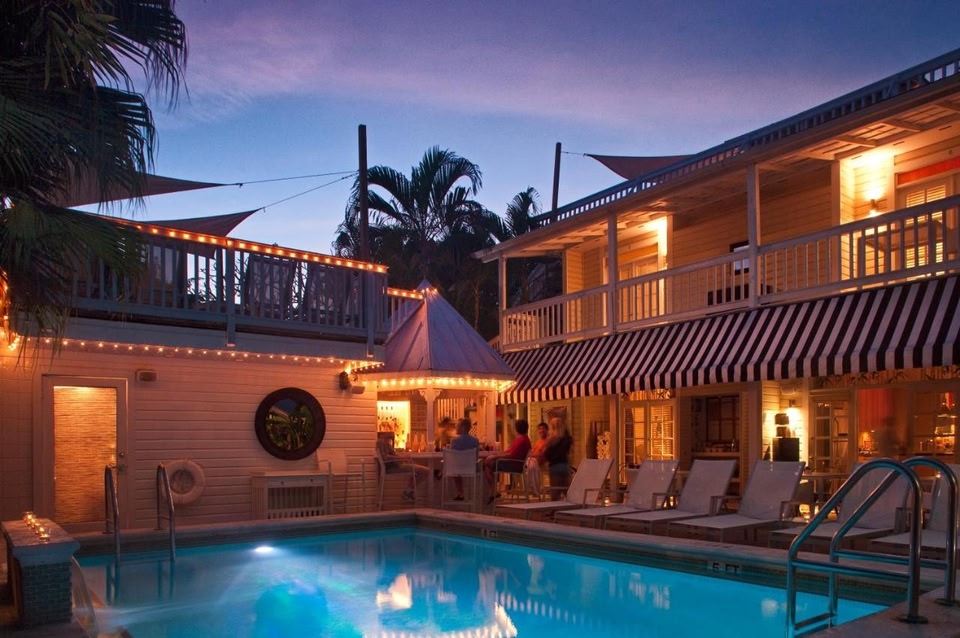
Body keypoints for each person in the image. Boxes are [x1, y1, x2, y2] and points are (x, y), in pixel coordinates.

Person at [483, 419, 532, 502]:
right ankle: (494, 492)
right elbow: (509, 451)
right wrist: (498, 455)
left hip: (515, 465)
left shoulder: (521, 440)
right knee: (489, 463)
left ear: (516, 428)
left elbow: (510, 455)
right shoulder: (524, 439)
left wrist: (495, 457)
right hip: (516, 464)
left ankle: (494, 492)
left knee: (487, 464)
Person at [376, 432, 430, 501]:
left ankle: (409, 491)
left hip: (398, 465)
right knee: (425, 471)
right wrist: (402, 458)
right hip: (394, 467)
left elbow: (393, 455)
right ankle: (407, 492)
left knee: (419, 471)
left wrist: (403, 458)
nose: (392, 434)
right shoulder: (380, 442)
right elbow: (385, 457)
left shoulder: (386, 443)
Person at [448, 418, 480, 500]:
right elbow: (476, 456)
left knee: (455, 469)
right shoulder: (476, 441)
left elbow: (453, 457)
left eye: (458, 426)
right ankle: (469, 496)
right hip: (472, 469)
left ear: (463, 428)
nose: (456, 428)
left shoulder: (454, 441)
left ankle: (460, 492)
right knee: (457, 469)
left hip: (458, 469)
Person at [543, 417, 573, 501]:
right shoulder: (567, 438)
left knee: (555, 493)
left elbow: (546, 453)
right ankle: (572, 507)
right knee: (568, 492)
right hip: (564, 465)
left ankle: (555, 507)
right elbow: (567, 451)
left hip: (554, 466)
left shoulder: (551, 439)